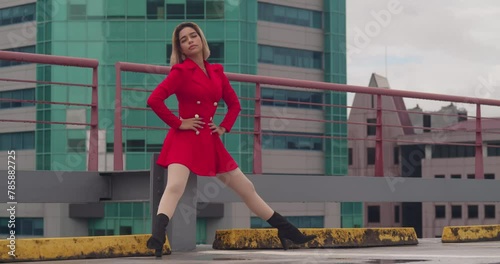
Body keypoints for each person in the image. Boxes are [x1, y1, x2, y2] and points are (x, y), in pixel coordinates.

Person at [146, 22, 316, 258]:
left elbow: (235, 105)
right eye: (184, 40)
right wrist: (179, 122)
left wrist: (224, 126)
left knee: (246, 188)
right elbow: (154, 100)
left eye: (193, 36)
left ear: (201, 39)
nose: (190, 41)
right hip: (184, 138)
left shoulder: (216, 72)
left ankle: (287, 231)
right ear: (181, 48)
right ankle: (157, 238)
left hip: (209, 140)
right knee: (175, 186)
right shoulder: (180, 72)